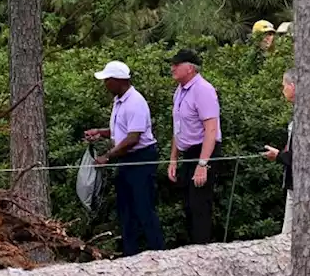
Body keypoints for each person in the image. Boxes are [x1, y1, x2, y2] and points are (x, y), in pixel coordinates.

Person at [84, 61, 164, 257]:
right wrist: (101, 133)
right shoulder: (120, 101)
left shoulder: (135, 102)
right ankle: (130, 254)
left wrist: (107, 157)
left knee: (143, 207)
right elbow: (120, 130)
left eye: (108, 80)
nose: (105, 85)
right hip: (127, 160)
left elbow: (132, 138)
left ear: (119, 81)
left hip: (140, 159)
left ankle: (160, 254)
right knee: (126, 208)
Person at [167, 49, 222, 243]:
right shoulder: (180, 91)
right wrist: (173, 158)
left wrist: (203, 164)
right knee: (189, 204)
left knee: (200, 204)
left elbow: (211, 129)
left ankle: (204, 250)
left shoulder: (203, 89)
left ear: (189, 68)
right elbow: (178, 127)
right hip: (188, 152)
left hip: (203, 151)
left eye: (177, 64)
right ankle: (193, 250)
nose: (172, 68)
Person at [264, 69, 296, 234]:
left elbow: (299, 156)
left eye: (284, 85)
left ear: (293, 86)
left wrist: (278, 155)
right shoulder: (298, 112)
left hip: (299, 185)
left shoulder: (305, 116)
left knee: (287, 236)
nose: (283, 89)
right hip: (293, 183)